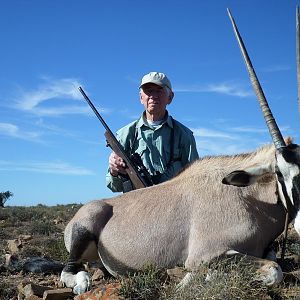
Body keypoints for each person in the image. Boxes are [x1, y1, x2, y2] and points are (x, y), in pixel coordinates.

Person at [106, 71, 199, 192]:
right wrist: (114, 171)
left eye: (159, 90)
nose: (153, 95)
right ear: (141, 97)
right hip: (137, 205)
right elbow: (114, 186)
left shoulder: (184, 135)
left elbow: (195, 180)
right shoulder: (125, 134)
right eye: (149, 90)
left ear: (170, 97)